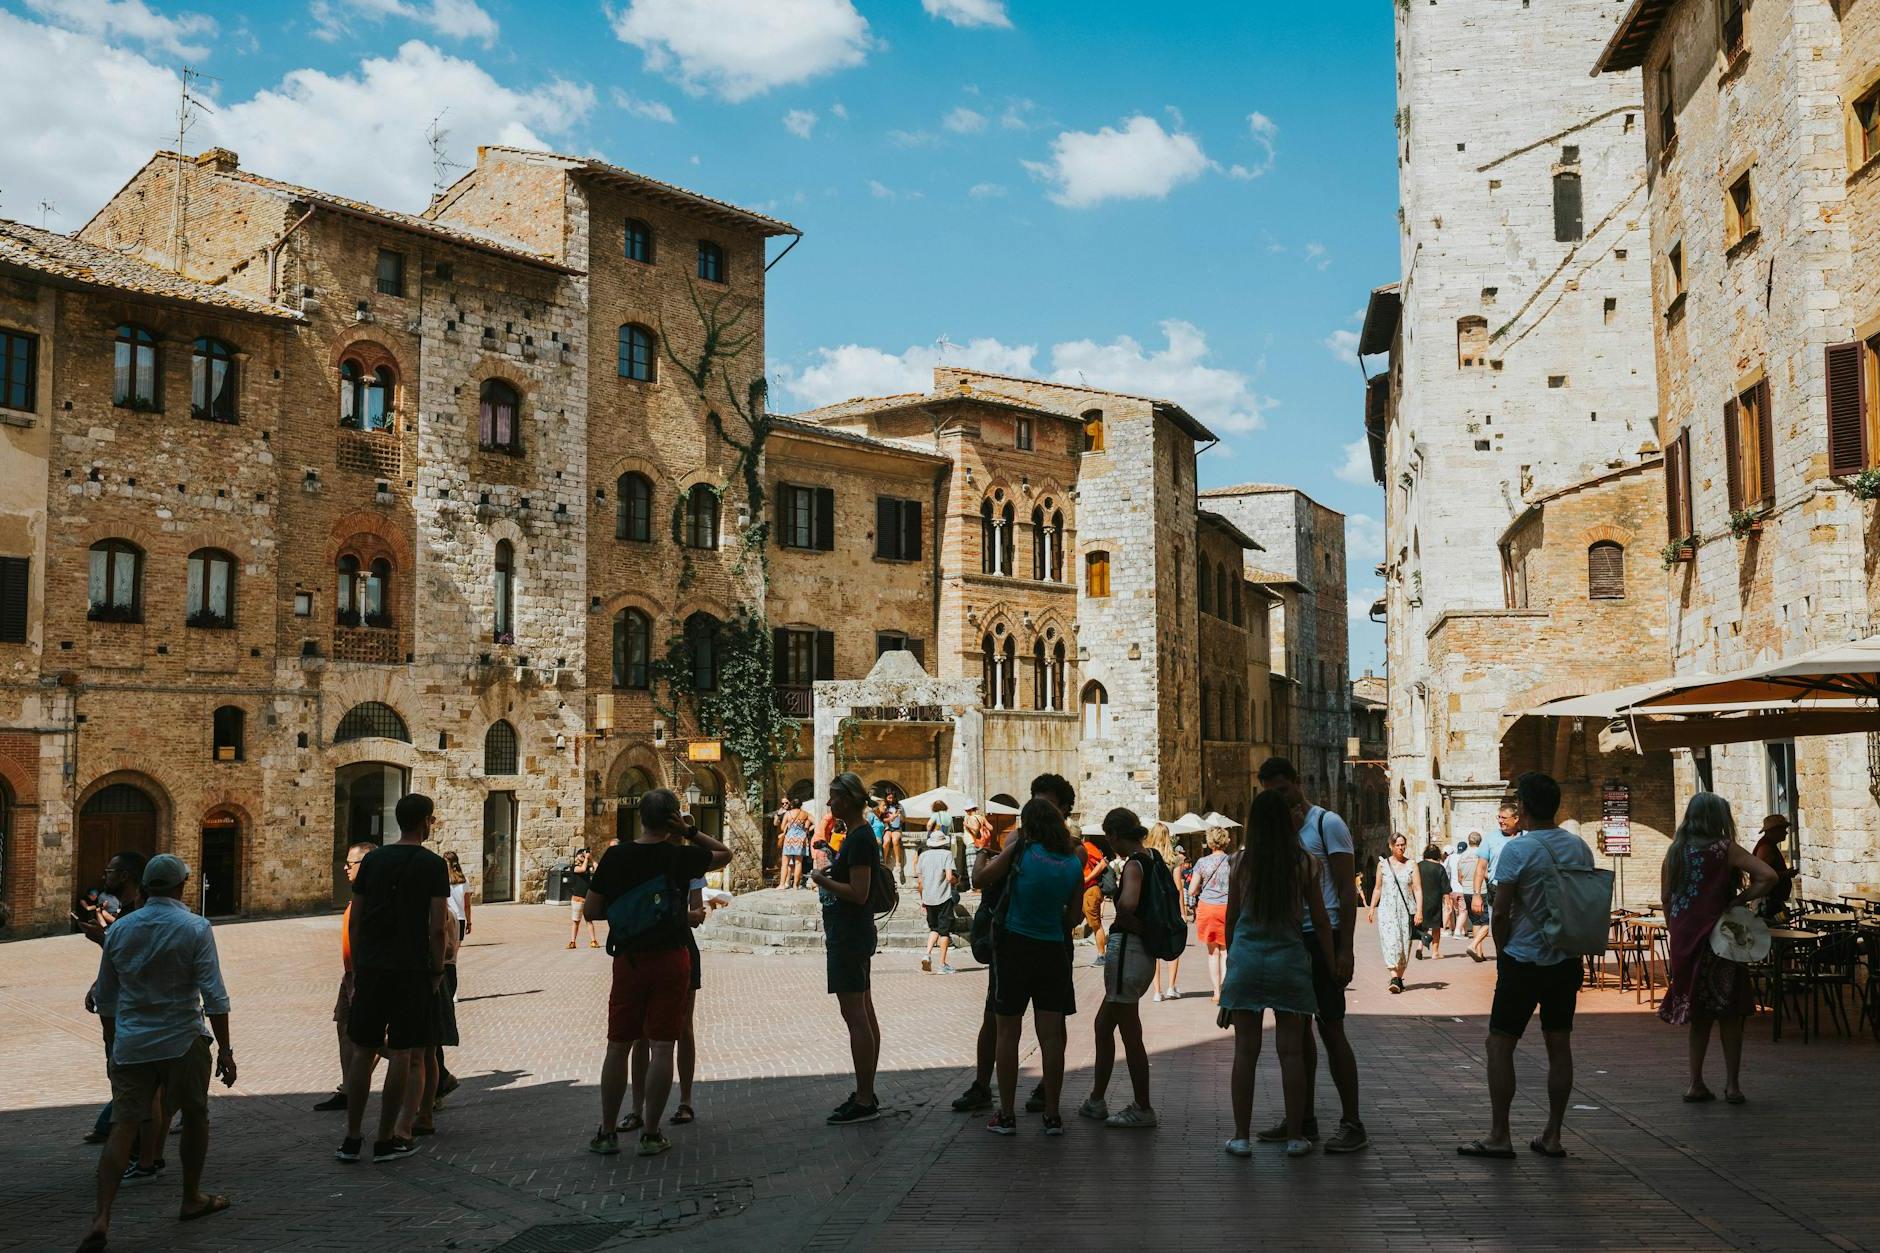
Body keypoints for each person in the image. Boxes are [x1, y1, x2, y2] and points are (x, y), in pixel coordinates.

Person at [80, 854, 236, 1251]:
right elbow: (214, 996)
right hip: (182, 1037)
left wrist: (115, 1045)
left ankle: (102, 1217)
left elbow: (107, 997)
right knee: (196, 1116)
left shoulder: (122, 929)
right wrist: (227, 1050)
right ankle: (191, 1197)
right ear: (183, 885)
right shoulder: (195, 927)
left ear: (147, 886)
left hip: (133, 1041)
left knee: (123, 1126)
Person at [584, 788, 728, 1156]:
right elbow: (724, 854)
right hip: (671, 956)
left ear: (640, 817)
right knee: (664, 1045)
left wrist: (629, 911)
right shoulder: (678, 856)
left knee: (618, 1045)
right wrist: (689, 832)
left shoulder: (616, 857)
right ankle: (650, 1133)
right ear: (671, 820)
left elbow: (592, 911)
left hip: (629, 960)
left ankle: (606, 1132)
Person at [1459, 772, 1588, 1160]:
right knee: (1559, 1044)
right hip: (1566, 959)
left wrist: (1502, 954)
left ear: (1525, 809)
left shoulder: (1519, 850)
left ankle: (1500, 1134)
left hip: (1523, 958)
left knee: (1500, 1044)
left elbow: (1500, 913)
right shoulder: (1579, 849)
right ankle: (1552, 1134)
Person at [1256, 757, 1367, 1153]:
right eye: (1270, 793)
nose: (1279, 799)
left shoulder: (1327, 824)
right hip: (1289, 939)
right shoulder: (1275, 831)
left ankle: (1352, 1122)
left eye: (1283, 790)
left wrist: (1346, 949)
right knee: (1296, 1033)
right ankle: (1302, 1118)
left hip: (1325, 936)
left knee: (1331, 1029)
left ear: (1298, 783)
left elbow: (1346, 890)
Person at [951, 773, 1077, 1116]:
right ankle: (983, 1085)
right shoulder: (1021, 841)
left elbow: (980, 876)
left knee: (1048, 1022)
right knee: (996, 1016)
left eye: (1045, 803)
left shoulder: (1067, 848)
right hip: (1023, 940)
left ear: (1063, 809)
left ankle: (1036, 1095)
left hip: (1032, 941)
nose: (1036, 808)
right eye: (1033, 800)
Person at [1220, 791, 1335, 1158]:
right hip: (1289, 958)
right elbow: (1318, 918)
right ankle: (1296, 1136)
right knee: (1291, 1053)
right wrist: (1331, 962)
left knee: (1245, 1052)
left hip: (1248, 959)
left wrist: (1229, 970)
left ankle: (1240, 1136)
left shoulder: (1241, 863)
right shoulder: (1304, 863)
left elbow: (1232, 918)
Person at [338, 793, 449, 1165]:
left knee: (363, 1050)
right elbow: (436, 926)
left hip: (371, 967)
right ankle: (386, 1138)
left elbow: (356, 917)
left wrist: (354, 970)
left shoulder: (373, 861)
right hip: (412, 969)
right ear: (424, 822)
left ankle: (352, 1137)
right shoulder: (433, 865)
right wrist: (436, 969)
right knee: (402, 1052)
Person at [977, 796, 1086, 1136]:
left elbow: (981, 879)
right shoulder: (1071, 863)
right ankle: (1052, 1115)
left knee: (1008, 1033)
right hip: (1052, 950)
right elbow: (1074, 916)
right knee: (1052, 1037)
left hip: (1014, 948)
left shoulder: (1022, 851)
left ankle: (1006, 1115)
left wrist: (983, 850)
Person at [1659, 793, 1778, 1104]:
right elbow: (1768, 876)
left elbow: (1667, 898)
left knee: (1699, 1016)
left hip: (1686, 939)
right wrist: (1737, 901)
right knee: (1729, 1012)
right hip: (1721, 939)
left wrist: (1677, 931)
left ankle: (1695, 1083)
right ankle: (1732, 1085)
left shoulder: (1676, 852)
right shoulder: (1724, 850)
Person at [811, 771, 886, 1126]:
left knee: (855, 1014)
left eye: (833, 797)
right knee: (864, 1010)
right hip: (854, 933)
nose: (829, 803)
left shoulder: (858, 839)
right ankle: (865, 1091)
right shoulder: (858, 836)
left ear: (847, 798)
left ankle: (864, 1097)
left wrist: (823, 877)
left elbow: (859, 893)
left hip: (849, 934)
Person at [1079, 808, 1160, 1129]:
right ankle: (1097, 1099)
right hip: (1139, 954)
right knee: (1104, 1026)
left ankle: (1142, 1106)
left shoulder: (1136, 864)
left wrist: (1124, 910)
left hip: (1129, 952)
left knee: (1129, 1033)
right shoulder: (1152, 858)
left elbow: (1127, 904)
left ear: (1114, 835)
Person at [315, 843, 376, 1112]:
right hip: (350, 974)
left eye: (350, 864)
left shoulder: (375, 896)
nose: (344, 868)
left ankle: (430, 1076)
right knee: (344, 1027)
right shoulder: (359, 894)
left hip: (364, 975)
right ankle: (348, 1087)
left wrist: (358, 978)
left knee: (373, 1038)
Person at [1469, 804, 1520, 963]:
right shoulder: (1491, 838)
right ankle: (1502, 960)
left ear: (1516, 818)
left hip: (1521, 891)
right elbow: (1480, 868)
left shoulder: (1526, 837)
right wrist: (1477, 895)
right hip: (1497, 889)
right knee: (1499, 928)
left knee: (1519, 930)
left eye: (1504, 818)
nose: (1500, 821)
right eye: (1499, 817)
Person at [1188, 829, 1234, 1002]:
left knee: (1212, 952)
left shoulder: (1202, 862)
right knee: (1227, 951)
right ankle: (1227, 989)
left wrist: (1202, 888)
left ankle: (1216, 992)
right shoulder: (1232, 861)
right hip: (1227, 908)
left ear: (1209, 842)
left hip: (1207, 908)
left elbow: (1192, 890)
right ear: (1226, 842)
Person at [1142, 822, 1185, 1001]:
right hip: (1170, 908)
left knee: (1153, 949)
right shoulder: (1174, 858)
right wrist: (1183, 912)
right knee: (1173, 945)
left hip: (1152, 908)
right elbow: (1178, 887)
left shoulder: (1146, 856)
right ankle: (1171, 987)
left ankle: (1157, 991)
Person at [918, 830, 959, 974]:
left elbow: (920, 882)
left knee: (933, 928)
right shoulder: (947, 855)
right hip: (943, 897)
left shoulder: (923, 856)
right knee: (944, 931)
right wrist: (956, 880)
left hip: (928, 897)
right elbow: (949, 877)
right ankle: (942, 964)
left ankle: (927, 954)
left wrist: (922, 899)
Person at [1750, 814, 1798, 920]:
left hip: (1771, 901)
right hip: (1767, 902)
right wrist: (1785, 874)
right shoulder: (1765, 848)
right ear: (1773, 831)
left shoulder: (1769, 846)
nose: (1786, 832)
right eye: (1783, 829)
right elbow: (1761, 875)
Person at [1415, 842, 1450, 960]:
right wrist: (1448, 902)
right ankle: (1435, 952)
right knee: (1435, 927)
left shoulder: (1418, 865)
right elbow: (1445, 887)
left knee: (1422, 925)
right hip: (1435, 900)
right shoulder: (1440, 867)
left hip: (1420, 900)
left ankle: (1419, 946)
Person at [1446, 835, 1480, 940]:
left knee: (1457, 911)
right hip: (1462, 889)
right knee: (1464, 911)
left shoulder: (1451, 857)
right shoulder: (1465, 857)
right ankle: (1457, 931)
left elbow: (1446, 871)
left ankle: (1462, 930)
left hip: (1452, 889)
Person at [567, 847, 599, 950]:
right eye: (581, 855)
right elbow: (582, 869)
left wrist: (591, 858)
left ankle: (593, 941)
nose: (583, 856)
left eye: (583, 855)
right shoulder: (574, 867)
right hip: (577, 898)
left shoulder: (588, 866)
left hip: (587, 897)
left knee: (589, 920)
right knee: (576, 921)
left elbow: (597, 869)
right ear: (576, 857)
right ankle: (572, 942)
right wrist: (586, 859)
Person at [778, 802, 811, 891]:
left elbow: (782, 827)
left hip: (790, 838)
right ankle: (795, 886)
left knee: (785, 863)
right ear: (801, 805)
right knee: (798, 863)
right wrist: (806, 828)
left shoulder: (788, 813)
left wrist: (789, 826)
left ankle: (782, 885)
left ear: (792, 805)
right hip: (801, 838)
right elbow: (815, 821)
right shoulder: (805, 813)